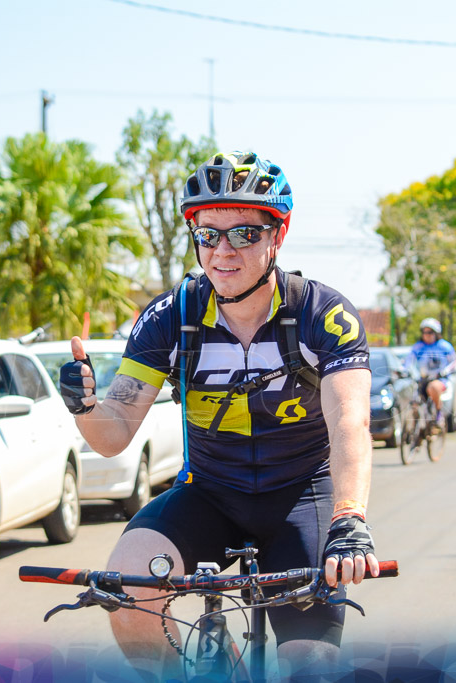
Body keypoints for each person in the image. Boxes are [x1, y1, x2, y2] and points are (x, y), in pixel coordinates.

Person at [59, 151, 379, 679]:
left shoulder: (324, 314)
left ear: (278, 235)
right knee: (127, 589)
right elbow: (112, 435)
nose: (223, 252)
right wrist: (84, 406)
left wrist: (349, 519)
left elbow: (350, 423)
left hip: (303, 497)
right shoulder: (172, 317)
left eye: (245, 235)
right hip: (211, 494)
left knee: (311, 667)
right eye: (208, 235)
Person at [409, 317, 456, 425]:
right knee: (412, 397)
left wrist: (445, 371)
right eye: (424, 332)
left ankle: (438, 413)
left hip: (439, 378)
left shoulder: (444, 346)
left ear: (436, 333)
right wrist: (409, 371)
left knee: (433, 387)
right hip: (423, 379)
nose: (427, 334)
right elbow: (409, 362)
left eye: (430, 332)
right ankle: (413, 427)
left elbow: (454, 361)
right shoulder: (418, 347)